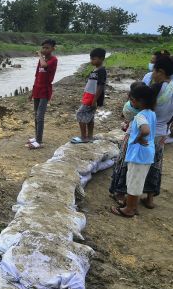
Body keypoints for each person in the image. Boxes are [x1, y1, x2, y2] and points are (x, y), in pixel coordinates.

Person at [110, 56, 173, 208]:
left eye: (154, 70)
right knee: (154, 165)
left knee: (127, 160)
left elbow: (135, 108)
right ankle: (149, 198)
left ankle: (120, 194)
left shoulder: (154, 90)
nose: (152, 73)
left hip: (142, 132)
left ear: (160, 71)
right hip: (161, 132)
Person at [110, 84, 157, 217]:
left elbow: (146, 130)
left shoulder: (140, 116)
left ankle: (129, 209)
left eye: (132, 100)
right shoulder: (152, 113)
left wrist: (138, 138)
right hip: (147, 153)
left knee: (133, 182)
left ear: (139, 101)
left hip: (138, 154)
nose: (131, 102)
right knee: (138, 181)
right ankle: (133, 206)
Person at [26, 39, 58, 149]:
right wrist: (32, 92)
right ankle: (36, 137)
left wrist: (40, 55)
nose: (44, 50)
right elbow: (37, 76)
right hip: (37, 90)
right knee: (36, 115)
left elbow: (44, 66)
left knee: (40, 116)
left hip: (45, 90)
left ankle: (39, 141)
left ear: (53, 49)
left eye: (47, 48)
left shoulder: (53, 60)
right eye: (43, 47)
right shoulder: (41, 61)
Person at [71, 48, 107, 143]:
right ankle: (89, 136)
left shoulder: (101, 71)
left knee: (80, 114)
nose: (91, 61)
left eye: (94, 59)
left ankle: (83, 137)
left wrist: (94, 100)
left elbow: (100, 86)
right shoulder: (96, 70)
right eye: (91, 59)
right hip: (89, 97)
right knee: (90, 117)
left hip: (92, 98)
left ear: (102, 58)